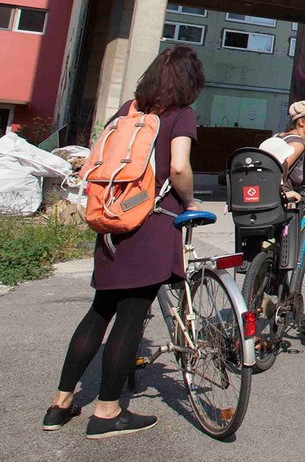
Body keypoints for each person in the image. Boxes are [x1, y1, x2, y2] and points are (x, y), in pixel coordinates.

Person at [44, 45, 205, 438]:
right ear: (191, 82)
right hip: (150, 223)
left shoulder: (128, 110)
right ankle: (107, 412)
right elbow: (179, 166)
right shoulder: (180, 115)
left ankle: (60, 405)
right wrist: (189, 201)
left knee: (99, 311)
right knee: (131, 318)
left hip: (112, 221)